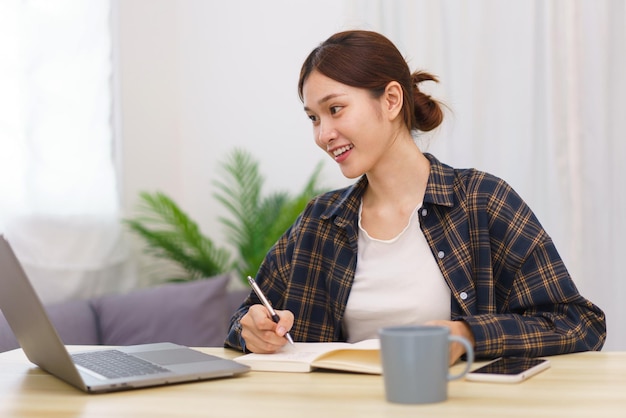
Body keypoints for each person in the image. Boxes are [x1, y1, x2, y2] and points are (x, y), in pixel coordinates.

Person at [224, 30, 606, 364]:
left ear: (391, 100)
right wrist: (251, 329)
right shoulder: (319, 221)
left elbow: (578, 324)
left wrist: (467, 336)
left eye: (335, 109)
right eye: (313, 118)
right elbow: (246, 319)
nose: (323, 134)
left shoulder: (481, 201)